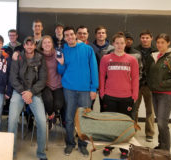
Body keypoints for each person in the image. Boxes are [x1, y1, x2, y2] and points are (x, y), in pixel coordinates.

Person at [56, 26, 98, 157]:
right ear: (64, 37)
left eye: (71, 34)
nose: (69, 37)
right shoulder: (63, 51)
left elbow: (94, 69)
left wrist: (93, 88)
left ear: (76, 35)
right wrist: (61, 63)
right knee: (69, 118)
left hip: (85, 90)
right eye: (66, 35)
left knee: (84, 119)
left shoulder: (87, 49)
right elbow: (60, 72)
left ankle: (82, 144)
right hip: (69, 89)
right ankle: (70, 143)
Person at [99, 32, 139, 159]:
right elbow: (101, 76)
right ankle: (109, 145)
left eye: (122, 43)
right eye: (117, 43)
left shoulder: (132, 59)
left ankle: (123, 147)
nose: (120, 45)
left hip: (126, 97)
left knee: (124, 124)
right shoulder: (106, 58)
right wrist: (102, 93)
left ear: (125, 44)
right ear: (113, 44)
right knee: (110, 123)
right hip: (110, 96)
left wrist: (135, 95)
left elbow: (135, 78)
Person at [8, 36, 48, 160]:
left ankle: (41, 153)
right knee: (12, 121)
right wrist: (23, 92)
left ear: (35, 46)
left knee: (42, 122)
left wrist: (31, 92)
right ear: (24, 46)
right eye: (27, 44)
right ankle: (11, 153)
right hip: (18, 92)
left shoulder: (41, 59)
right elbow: (13, 78)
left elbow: (43, 80)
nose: (29, 46)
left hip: (34, 93)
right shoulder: (18, 57)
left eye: (32, 44)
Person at [146, 33, 171, 153]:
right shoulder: (155, 56)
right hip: (155, 92)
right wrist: (151, 84)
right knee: (159, 122)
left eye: (162, 42)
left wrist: (162, 84)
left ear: (168, 43)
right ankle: (161, 146)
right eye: (158, 42)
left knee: (162, 123)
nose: (159, 45)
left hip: (167, 94)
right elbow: (150, 73)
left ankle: (166, 150)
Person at [37, 35, 64, 130]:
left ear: (52, 44)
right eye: (44, 42)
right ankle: (50, 115)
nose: (47, 44)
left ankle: (52, 115)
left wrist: (61, 63)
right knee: (48, 100)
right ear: (41, 45)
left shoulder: (58, 53)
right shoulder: (38, 55)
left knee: (58, 104)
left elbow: (62, 68)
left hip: (58, 84)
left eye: (49, 42)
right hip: (45, 84)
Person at [134, 30, 156, 142]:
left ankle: (149, 133)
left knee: (150, 110)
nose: (145, 39)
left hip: (150, 85)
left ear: (151, 38)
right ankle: (133, 130)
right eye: (142, 37)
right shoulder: (134, 50)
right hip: (137, 84)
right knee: (134, 109)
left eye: (147, 37)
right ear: (140, 39)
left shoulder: (157, 51)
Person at [89, 25, 114, 110]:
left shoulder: (112, 49)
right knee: (89, 105)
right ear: (95, 35)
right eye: (99, 33)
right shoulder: (89, 48)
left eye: (103, 33)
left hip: (107, 82)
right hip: (92, 81)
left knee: (105, 106)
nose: (101, 34)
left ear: (106, 35)